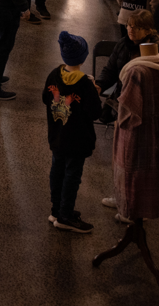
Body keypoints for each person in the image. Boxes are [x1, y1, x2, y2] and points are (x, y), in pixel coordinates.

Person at [44, 31, 100, 233]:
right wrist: (94, 91)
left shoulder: (53, 75)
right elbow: (95, 112)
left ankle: (56, 209)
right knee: (72, 175)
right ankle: (66, 216)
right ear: (83, 57)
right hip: (77, 140)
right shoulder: (86, 84)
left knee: (57, 170)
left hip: (57, 136)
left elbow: (45, 98)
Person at [97, 9, 159, 96]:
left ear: (148, 31)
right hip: (121, 93)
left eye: (137, 27)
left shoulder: (153, 49)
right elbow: (111, 70)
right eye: (129, 25)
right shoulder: (122, 44)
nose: (131, 30)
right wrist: (100, 85)